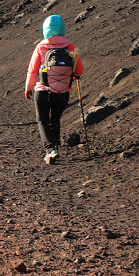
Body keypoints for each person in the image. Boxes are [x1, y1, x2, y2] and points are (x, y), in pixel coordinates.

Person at [24, 15, 84, 165]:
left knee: (42, 120)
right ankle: (55, 147)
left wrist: (28, 88)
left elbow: (32, 71)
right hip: (63, 91)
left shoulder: (41, 47)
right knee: (55, 118)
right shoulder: (70, 47)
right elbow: (79, 71)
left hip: (43, 90)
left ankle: (51, 150)